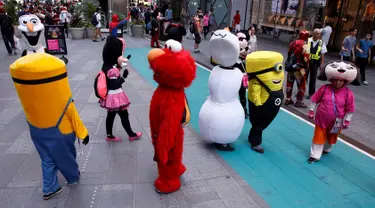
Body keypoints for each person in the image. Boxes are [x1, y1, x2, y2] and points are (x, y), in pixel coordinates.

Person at [10, 53, 90, 200]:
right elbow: (72, 114)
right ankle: (72, 177)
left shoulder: (25, 85)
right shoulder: (62, 97)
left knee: (47, 159)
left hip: (36, 129)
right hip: (60, 131)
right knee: (66, 157)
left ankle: (49, 188)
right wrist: (83, 133)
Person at [148, 40, 196, 194]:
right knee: (174, 151)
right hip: (168, 133)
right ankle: (177, 168)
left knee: (169, 155)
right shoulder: (171, 90)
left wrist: (161, 148)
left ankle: (169, 181)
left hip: (166, 137)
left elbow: (168, 125)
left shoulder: (170, 96)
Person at [307, 61, 357, 164]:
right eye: (336, 80)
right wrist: (311, 110)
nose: (338, 82)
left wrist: (347, 120)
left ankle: (326, 149)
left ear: (345, 81)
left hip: (337, 121)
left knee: (332, 136)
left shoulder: (348, 94)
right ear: (331, 79)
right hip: (321, 118)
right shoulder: (324, 88)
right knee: (318, 135)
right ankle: (314, 155)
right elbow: (315, 99)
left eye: (341, 80)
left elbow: (350, 108)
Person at [99, 36, 143, 141]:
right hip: (116, 97)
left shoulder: (106, 65)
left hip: (110, 96)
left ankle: (110, 135)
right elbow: (115, 84)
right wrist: (124, 77)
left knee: (111, 116)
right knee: (124, 115)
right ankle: (131, 135)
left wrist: (124, 61)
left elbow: (118, 64)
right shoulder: (112, 70)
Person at [246, 51, 284, 153]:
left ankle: (252, 138)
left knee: (259, 124)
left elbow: (278, 86)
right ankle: (255, 143)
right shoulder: (257, 80)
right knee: (258, 124)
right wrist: (258, 104)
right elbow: (255, 93)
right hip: (261, 105)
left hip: (270, 103)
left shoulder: (274, 76)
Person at [285, 30, 310, 107]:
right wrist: (307, 65)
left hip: (291, 67)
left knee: (289, 83)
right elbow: (306, 59)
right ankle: (299, 101)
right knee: (302, 84)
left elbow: (289, 54)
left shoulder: (292, 43)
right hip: (300, 68)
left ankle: (288, 99)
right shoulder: (306, 45)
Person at [306, 29, 327, 99]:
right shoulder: (308, 40)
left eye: (319, 34)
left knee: (313, 78)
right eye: (317, 34)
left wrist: (322, 63)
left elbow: (322, 53)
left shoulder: (321, 42)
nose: (318, 35)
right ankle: (301, 91)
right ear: (313, 34)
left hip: (315, 62)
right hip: (306, 61)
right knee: (303, 78)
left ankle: (311, 93)